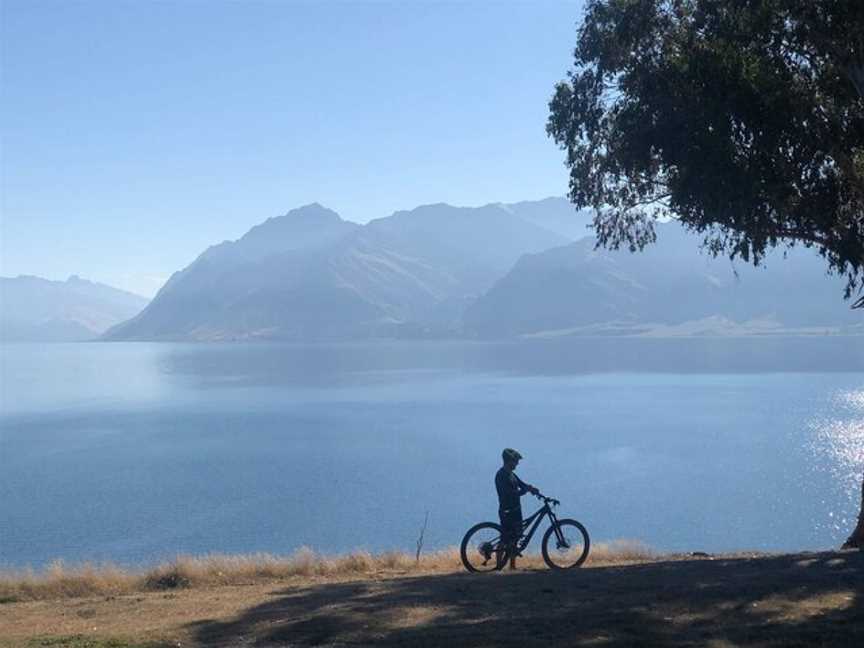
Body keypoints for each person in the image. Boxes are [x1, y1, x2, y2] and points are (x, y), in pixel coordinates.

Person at [495, 448, 539, 570]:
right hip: (506, 511)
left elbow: (522, 484)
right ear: (509, 461)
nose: (517, 464)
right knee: (504, 539)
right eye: (515, 461)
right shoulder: (501, 475)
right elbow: (508, 493)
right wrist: (523, 492)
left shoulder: (512, 474)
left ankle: (512, 566)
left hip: (516, 510)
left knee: (515, 537)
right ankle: (498, 566)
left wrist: (531, 488)